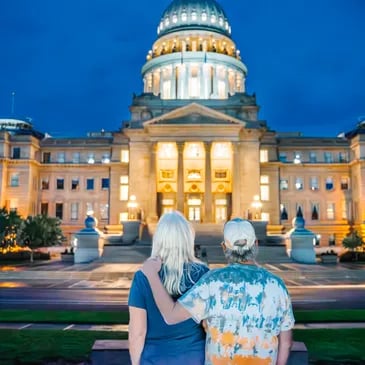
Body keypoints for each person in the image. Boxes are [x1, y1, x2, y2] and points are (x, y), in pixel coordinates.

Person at [142, 218, 295, 365]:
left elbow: (171, 315)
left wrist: (152, 274)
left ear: (224, 247)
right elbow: (286, 343)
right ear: (255, 244)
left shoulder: (212, 282)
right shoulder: (277, 286)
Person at [128, 211, 209, 365]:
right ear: (187, 238)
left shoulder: (143, 276)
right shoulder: (203, 273)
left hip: (155, 358)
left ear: (159, 239)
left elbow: (137, 332)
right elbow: (208, 325)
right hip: (194, 357)